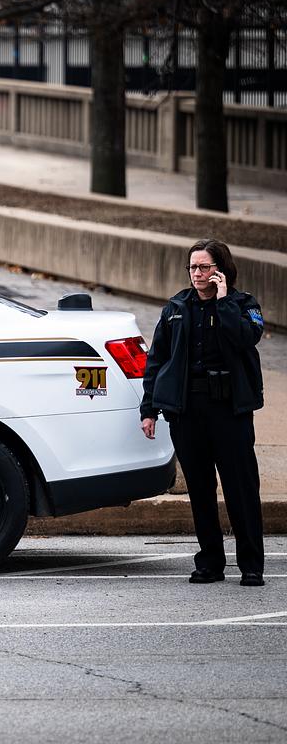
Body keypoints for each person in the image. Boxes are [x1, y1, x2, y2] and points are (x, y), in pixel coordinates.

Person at [140, 239, 266, 587]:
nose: (197, 274)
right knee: (201, 490)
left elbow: (245, 338)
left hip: (230, 412)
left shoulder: (244, 305)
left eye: (204, 267)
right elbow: (157, 361)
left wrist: (224, 302)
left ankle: (252, 565)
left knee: (241, 489)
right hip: (188, 412)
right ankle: (210, 563)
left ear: (220, 270)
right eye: (193, 267)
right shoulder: (176, 308)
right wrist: (149, 409)